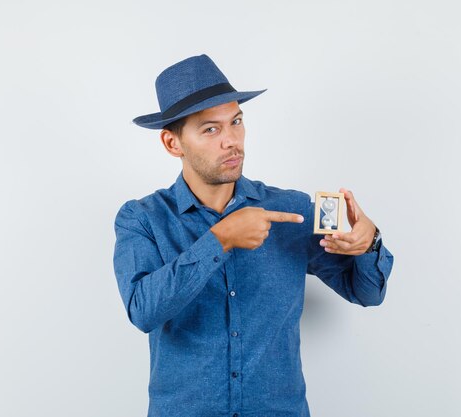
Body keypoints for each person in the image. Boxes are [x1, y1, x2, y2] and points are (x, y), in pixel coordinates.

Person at [113, 54, 394, 417]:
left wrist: (368, 242)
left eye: (237, 122)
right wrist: (219, 240)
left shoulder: (292, 210)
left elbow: (367, 293)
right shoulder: (142, 219)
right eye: (210, 129)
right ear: (172, 143)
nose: (231, 140)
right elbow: (143, 311)